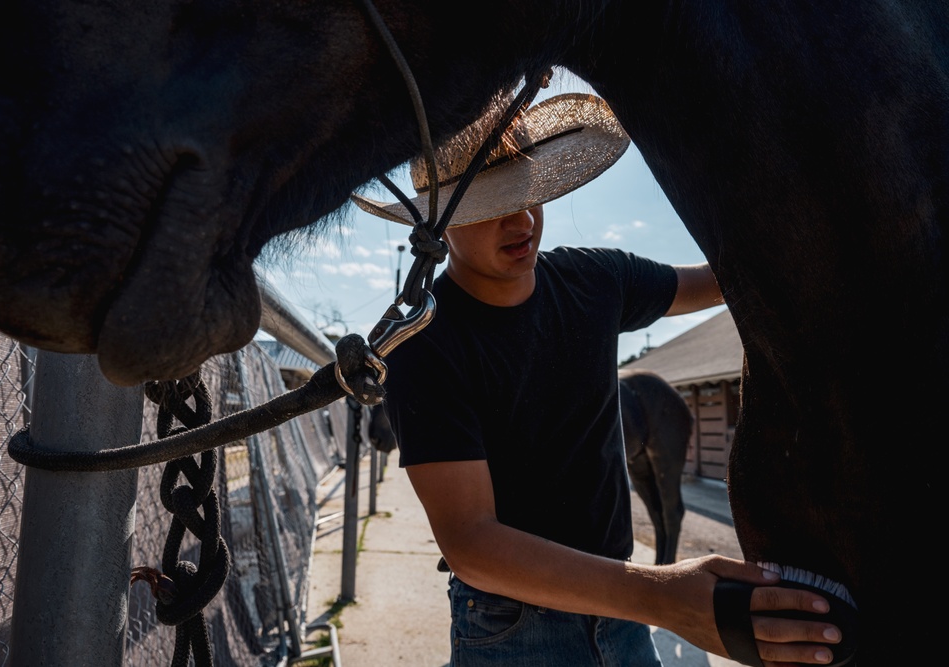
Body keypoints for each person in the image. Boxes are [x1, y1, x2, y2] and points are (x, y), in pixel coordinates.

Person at [353, 91, 842, 666]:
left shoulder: (595, 280)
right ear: (441, 220)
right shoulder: (426, 344)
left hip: (627, 617)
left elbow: (724, 281)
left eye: (529, 193)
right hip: (513, 630)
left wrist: (822, 222)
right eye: (490, 202)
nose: (521, 219)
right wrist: (666, 598)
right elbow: (471, 542)